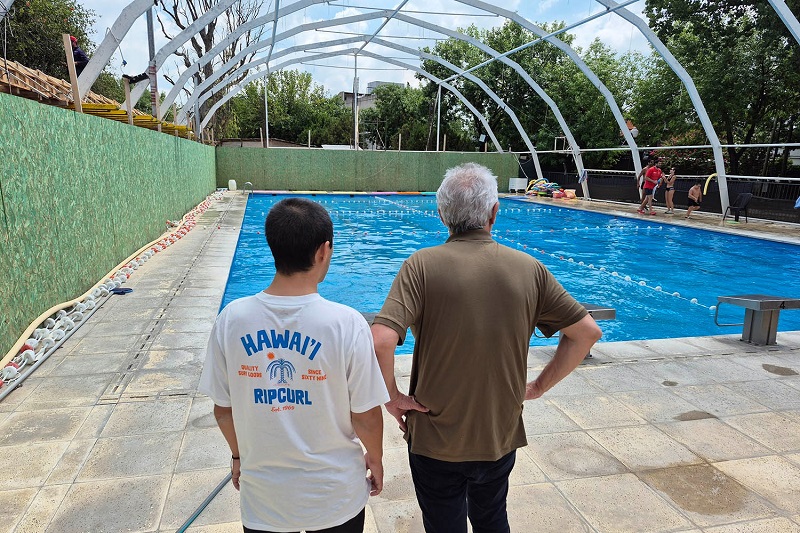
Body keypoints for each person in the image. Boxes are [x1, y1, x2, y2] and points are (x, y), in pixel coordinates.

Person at [370, 163, 603, 533]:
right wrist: (538, 387)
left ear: (442, 214)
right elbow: (586, 333)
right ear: (494, 212)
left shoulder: (420, 266)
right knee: (492, 517)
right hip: (498, 434)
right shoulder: (530, 269)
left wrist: (392, 396)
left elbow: (381, 339)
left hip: (434, 438)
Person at [199, 198, 389, 533]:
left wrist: (238, 457)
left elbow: (223, 410)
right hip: (335, 498)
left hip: (264, 502)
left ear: (273, 246)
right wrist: (375, 458)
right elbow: (366, 415)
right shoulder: (347, 324)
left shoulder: (232, 320)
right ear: (323, 252)